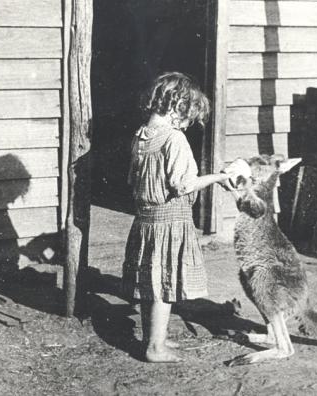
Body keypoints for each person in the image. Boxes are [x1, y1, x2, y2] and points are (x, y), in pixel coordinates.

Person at [121, 72, 242, 363]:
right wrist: (218, 177)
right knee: (164, 286)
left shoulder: (141, 136)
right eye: (188, 119)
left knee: (151, 284)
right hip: (169, 222)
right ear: (177, 107)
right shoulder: (174, 139)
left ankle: (155, 339)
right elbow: (183, 184)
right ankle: (154, 348)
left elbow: (133, 180)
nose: (188, 126)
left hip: (146, 221)